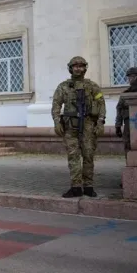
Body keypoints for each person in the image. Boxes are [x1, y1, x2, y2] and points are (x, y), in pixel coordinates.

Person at [51, 56, 106, 198]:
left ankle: (88, 186)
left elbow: (101, 105)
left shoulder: (93, 86)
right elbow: (56, 105)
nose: (78, 68)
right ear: (70, 68)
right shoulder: (63, 86)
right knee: (73, 156)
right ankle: (76, 187)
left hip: (88, 125)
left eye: (81, 66)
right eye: (75, 66)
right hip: (70, 127)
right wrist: (57, 122)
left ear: (85, 68)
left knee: (88, 155)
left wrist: (100, 122)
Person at [115, 67, 137, 156]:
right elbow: (119, 109)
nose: (131, 79)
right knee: (128, 143)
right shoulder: (125, 94)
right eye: (129, 77)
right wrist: (118, 126)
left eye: (134, 76)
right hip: (128, 122)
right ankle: (130, 162)